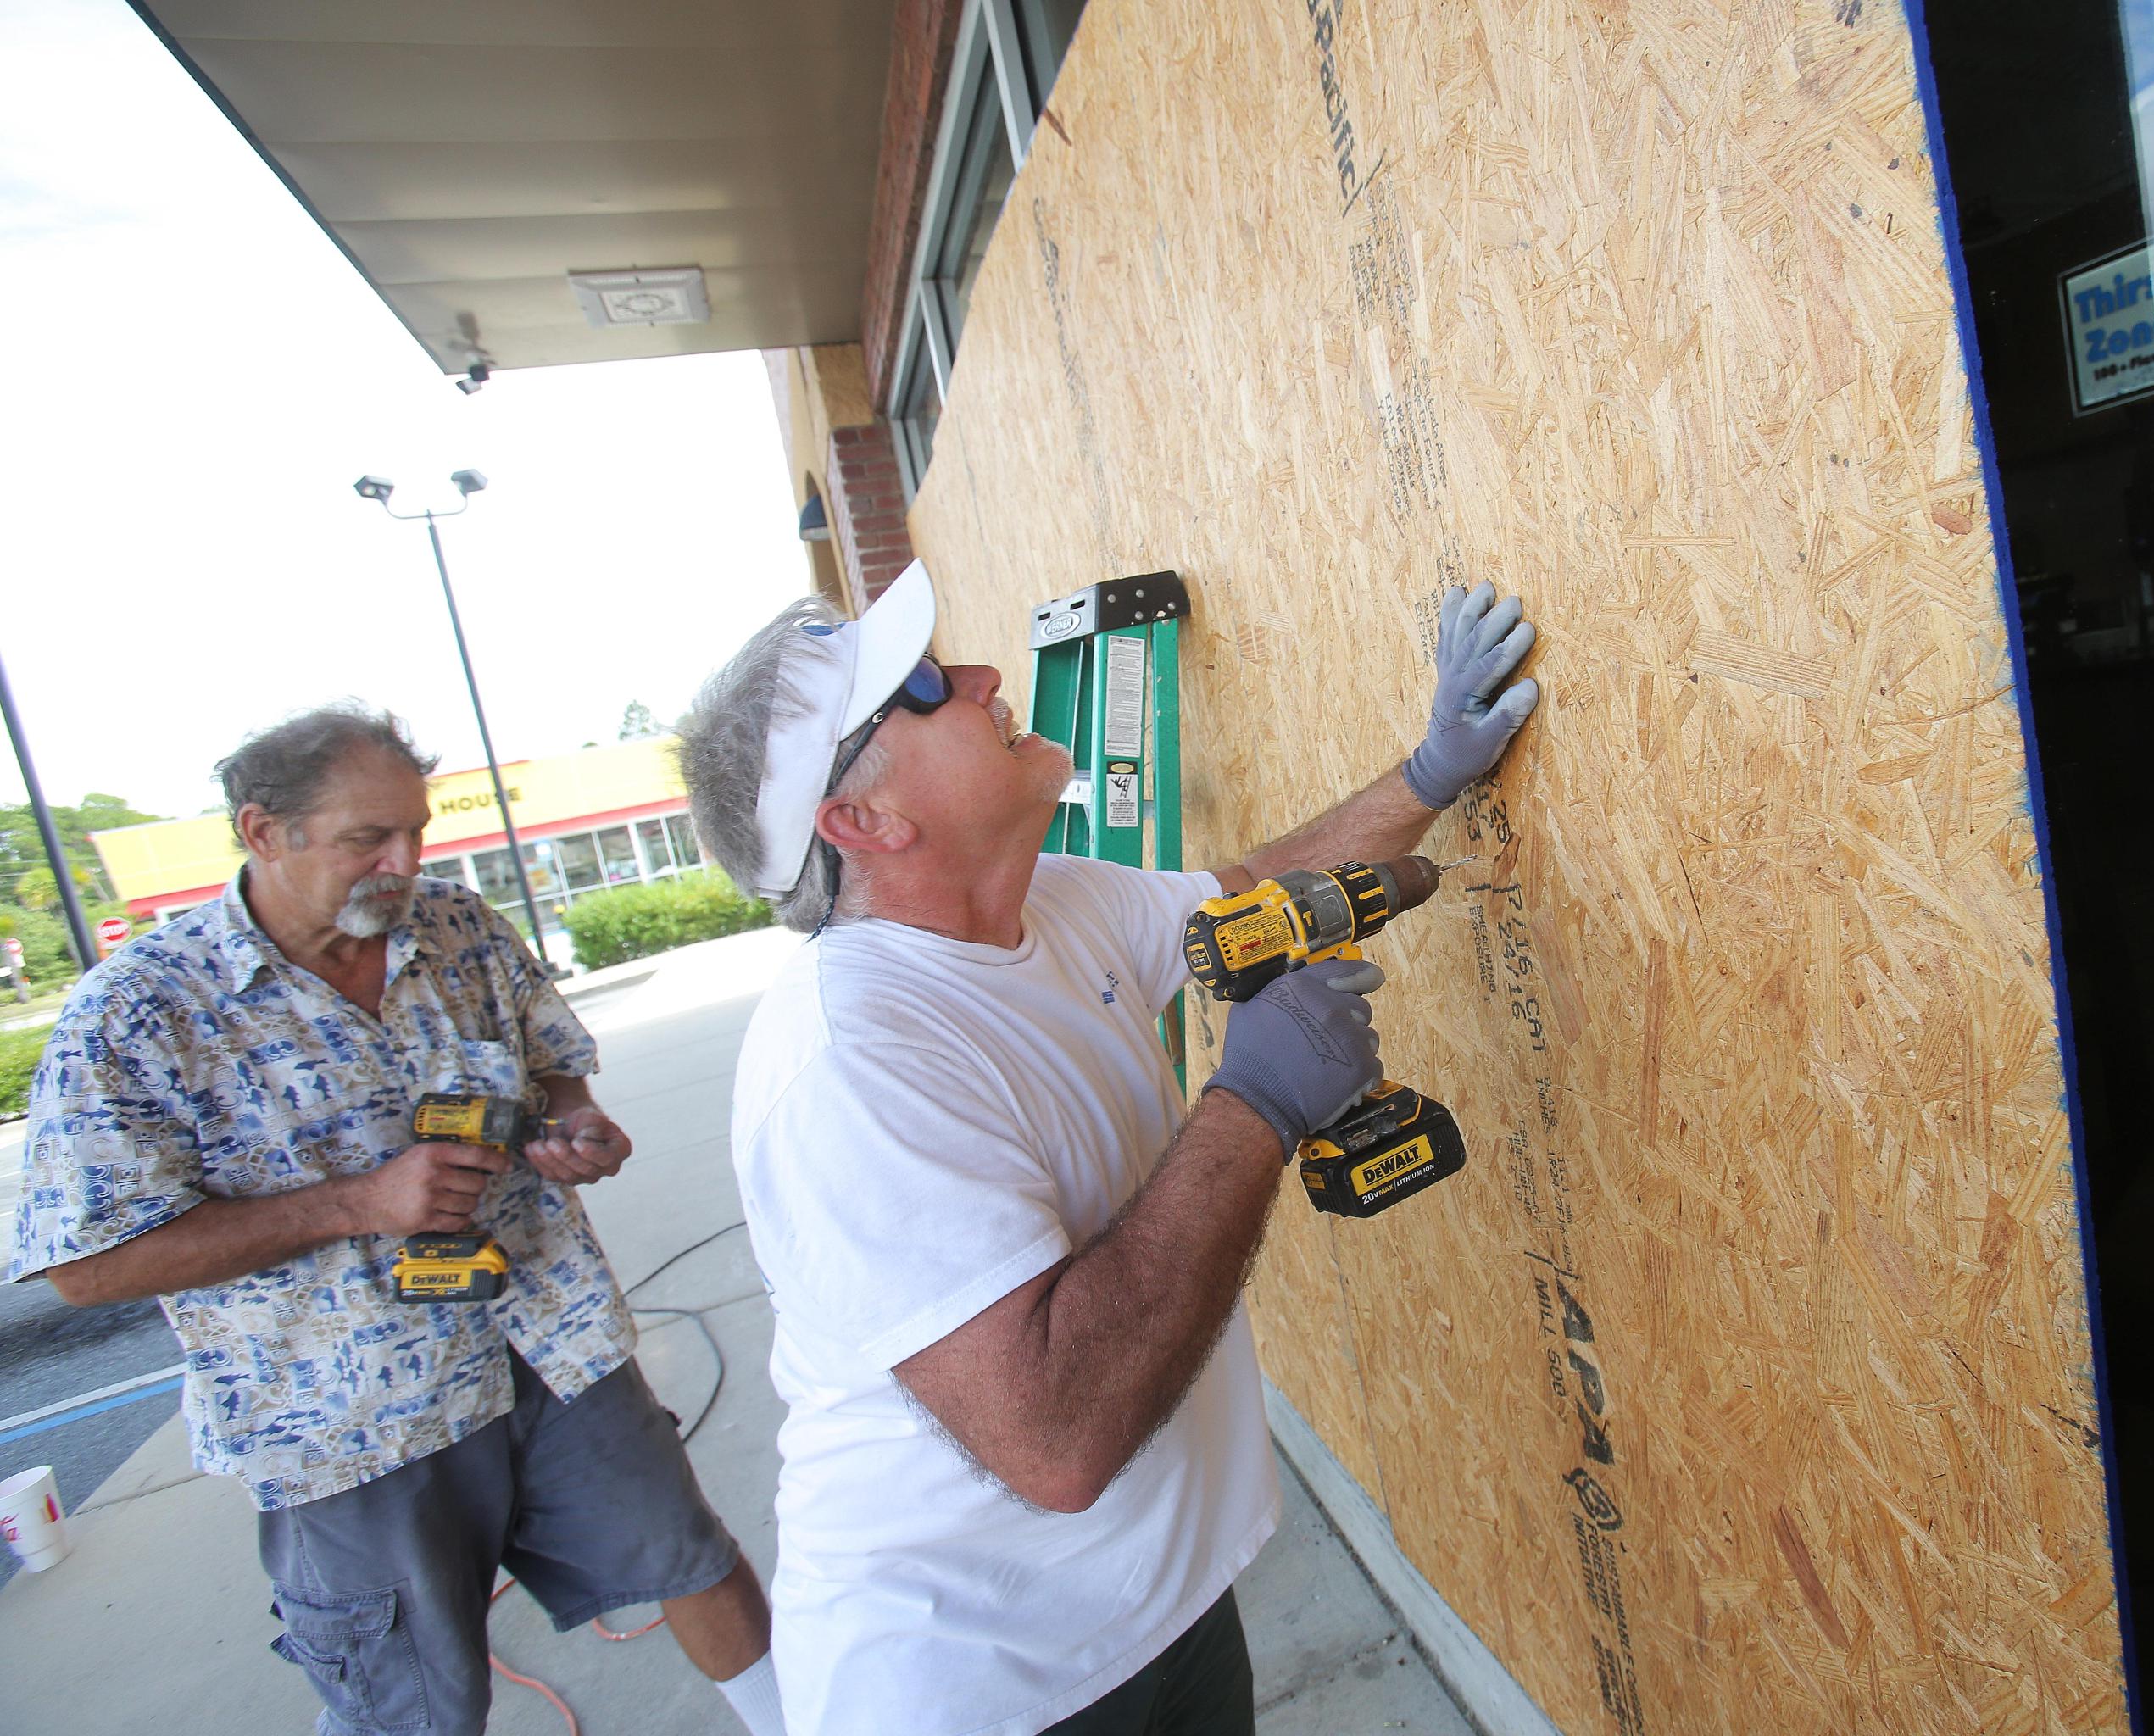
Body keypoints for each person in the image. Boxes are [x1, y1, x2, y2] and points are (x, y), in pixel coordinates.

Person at [673, 559, 1539, 1735]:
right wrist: (1255, 1106)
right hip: (978, 1687)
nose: (979, 674)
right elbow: (1055, 1436)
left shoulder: (1049, 900)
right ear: (863, 819)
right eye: (926, 685)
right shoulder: (848, 1067)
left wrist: (1432, 768)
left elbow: (1250, 895)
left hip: (1152, 1619)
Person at [8, 704, 786, 1736]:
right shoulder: (138, 1014)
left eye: (414, 830)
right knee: (409, 1701)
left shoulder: (462, 927)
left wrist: (576, 1125)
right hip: (350, 1426)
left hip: (550, 1346)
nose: (403, 860)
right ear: (261, 831)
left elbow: (554, 1069)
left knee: (695, 1560)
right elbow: (87, 1267)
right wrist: (358, 1202)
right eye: (365, 837)